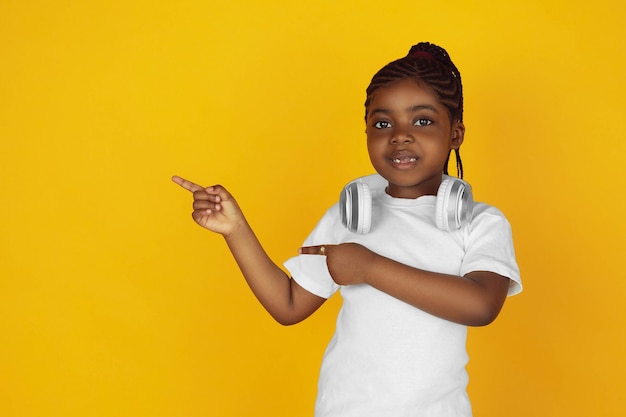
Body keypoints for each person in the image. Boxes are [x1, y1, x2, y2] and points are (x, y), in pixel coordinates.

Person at [172, 41, 522, 417]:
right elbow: (288, 305)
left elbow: (482, 305)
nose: (400, 135)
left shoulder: (481, 221)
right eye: (382, 123)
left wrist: (368, 268)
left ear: (455, 134)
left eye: (422, 120)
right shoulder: (351, 214)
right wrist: (235, 230)